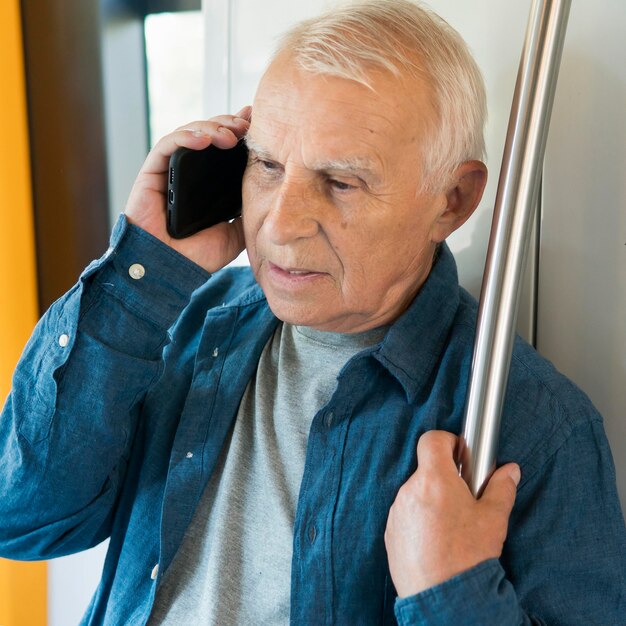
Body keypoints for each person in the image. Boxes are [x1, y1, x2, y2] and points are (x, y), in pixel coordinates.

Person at [1, 0, 625, 624]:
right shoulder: (182, 322)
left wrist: (452, 592)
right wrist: (141, 275)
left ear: (453, 200)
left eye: (341, 182)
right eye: (267, 165)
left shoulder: (535, 426)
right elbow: (22, 519)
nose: (282, 224)